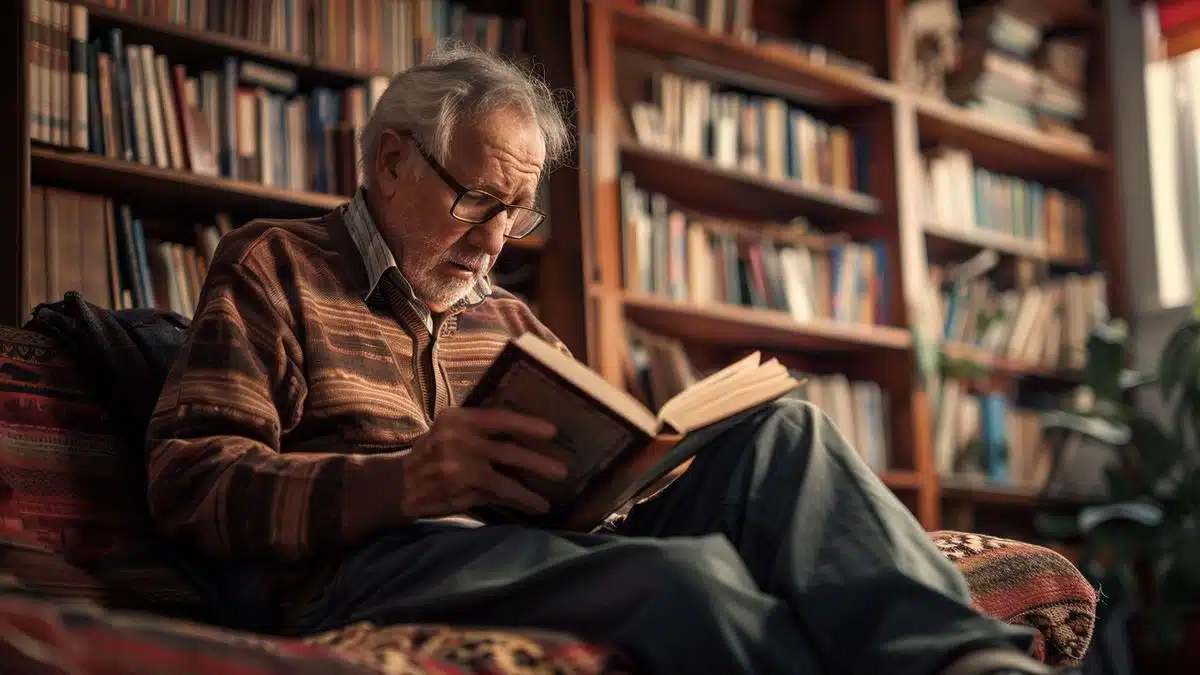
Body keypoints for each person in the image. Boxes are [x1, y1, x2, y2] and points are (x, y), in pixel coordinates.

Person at [145, 43, 1067, 675]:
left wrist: (628, 468)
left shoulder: (509, 319)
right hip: (367, 565)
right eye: (478, 201)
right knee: (692, 577)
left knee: (787, 433)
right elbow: (190, 483)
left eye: (518, 212)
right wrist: (404, 481)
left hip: (539, 545)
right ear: (390, 159)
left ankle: (966, 665)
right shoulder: (277, 265)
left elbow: (594, 487)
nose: (499, 240)